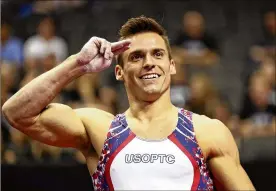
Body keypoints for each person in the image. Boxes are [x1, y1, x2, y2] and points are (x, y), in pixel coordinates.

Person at [2, 16, 255, 190]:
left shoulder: (208, 132)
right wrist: (76, 65)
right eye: (136, 56)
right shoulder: (101, 129)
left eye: (158, 54)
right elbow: (16, 113)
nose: (149, 62)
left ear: (172, 65)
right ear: (119, 72)